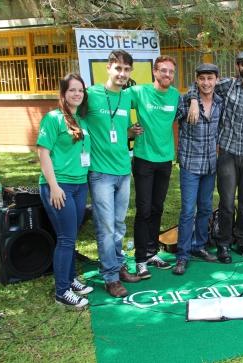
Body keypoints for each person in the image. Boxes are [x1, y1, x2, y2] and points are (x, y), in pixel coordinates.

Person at [187, 50, 243, 264]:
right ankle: (223, 244)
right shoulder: (227, 85)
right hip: (228, 152)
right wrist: (194, 101)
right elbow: (200, 85)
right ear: (238, 66)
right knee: (227, 202)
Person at [86, 50, 142, 298]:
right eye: (118, 68)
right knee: (106, 227)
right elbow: (71, 116)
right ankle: (110, 277)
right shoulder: (91, 95)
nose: (122, 74)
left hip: (123, 170)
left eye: (126, 70)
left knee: (119, 224)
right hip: (100, 173)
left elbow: (117, 129)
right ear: (108, 68)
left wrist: (129, 133)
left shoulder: (126, 97)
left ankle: (118, 266)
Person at [37, 73, 93, 309]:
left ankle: (70, 279)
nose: (77, 94)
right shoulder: (53, 118)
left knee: (71, 236)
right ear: (63, 93)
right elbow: (43, 153)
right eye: (72, 90)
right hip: (60, 186)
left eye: (80, 90)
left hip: (80, 185)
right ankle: (62, 291)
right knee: (66, 238)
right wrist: (54, 186)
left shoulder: (81, 120)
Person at [129, 55, 180, 278]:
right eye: (163, 71)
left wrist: (196, 102)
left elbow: (194, 101)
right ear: (154, 72)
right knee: (144, 209)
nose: (167, 75)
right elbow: (115, 105)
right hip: (143, 158)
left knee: (158, 208)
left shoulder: (176, 95)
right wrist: (127, 130)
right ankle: (140, 259)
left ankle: (152, 252)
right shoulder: (138, 92)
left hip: (165, 159)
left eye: (170, 71)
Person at [172, 63, 222, 275]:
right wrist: (193, 98)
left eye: (210, 78)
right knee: (187, 211)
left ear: (216, 80)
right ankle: (182, 255)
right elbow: (171, 118)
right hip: (190, 164)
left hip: (210, 164)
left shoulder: (220, 101)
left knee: (205, 208)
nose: (206, 83)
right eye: (202, 79)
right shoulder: (186, 100)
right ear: (196, 80)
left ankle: (198, 246)